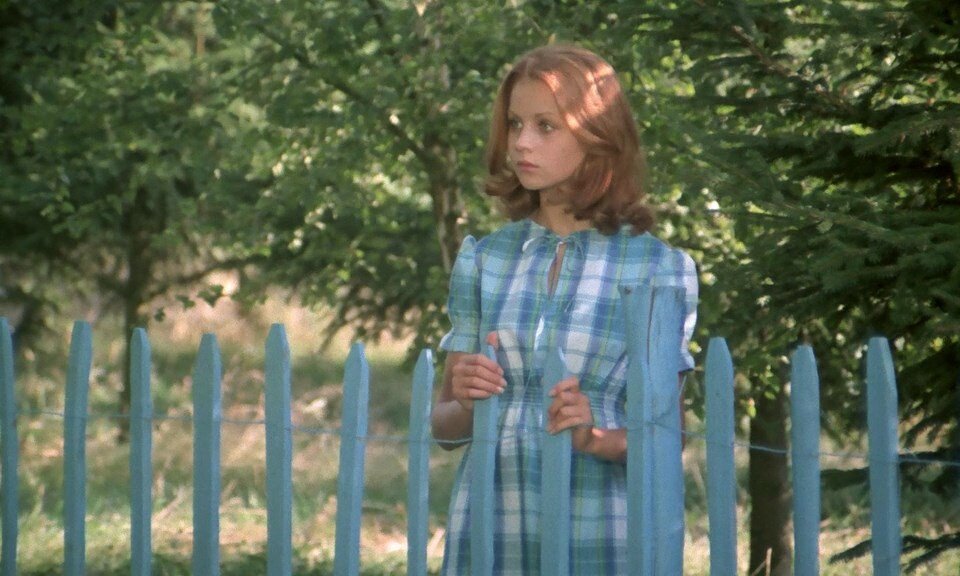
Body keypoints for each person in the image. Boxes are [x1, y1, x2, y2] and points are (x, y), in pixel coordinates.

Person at [431, 44, 698, 575]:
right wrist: (466, 399)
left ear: (597, 134)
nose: (521, 143)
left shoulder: (655, 269)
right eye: (515, 124)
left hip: (600, 538)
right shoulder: (484, 261)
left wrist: (594, 439)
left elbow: (670, 438)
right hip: (492, 536)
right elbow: (444, 429)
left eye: (546, 126)